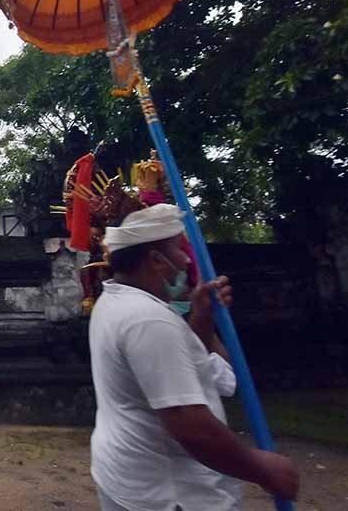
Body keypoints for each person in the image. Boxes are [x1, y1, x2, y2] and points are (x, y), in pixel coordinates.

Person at [90, 203, 299, 510]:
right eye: (178, 249)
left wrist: (201, 316)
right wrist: (262, 468)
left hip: (135, 481)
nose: (186, 258)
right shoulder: (147, 320)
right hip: (171, 494)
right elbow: (189, 424)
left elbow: (197, 371)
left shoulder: (117, 302)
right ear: (157, 260)